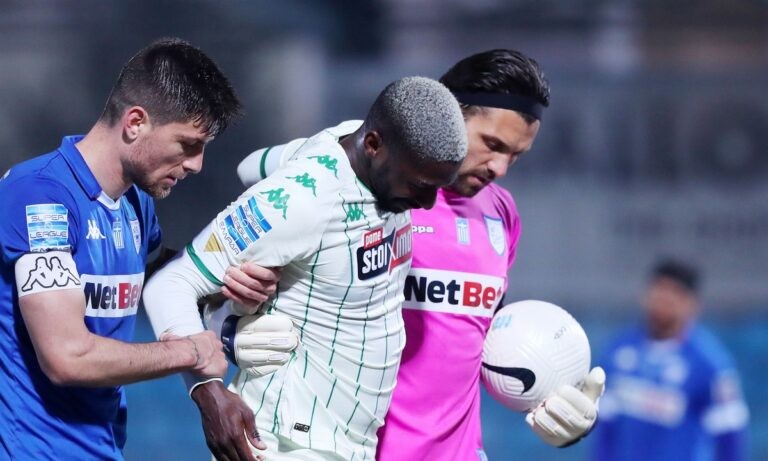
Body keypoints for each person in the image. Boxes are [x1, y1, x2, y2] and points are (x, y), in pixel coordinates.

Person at [232, 50, 605, 460]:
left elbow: (474, 339)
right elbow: (250, 170)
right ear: (449, 115)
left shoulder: (502, 212)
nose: (500, 168)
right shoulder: (364, 186)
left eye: (515, 155)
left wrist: (557, 406)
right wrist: (229, 329)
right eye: (492, 144)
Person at [142, 76, 468, 460]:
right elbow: (170, 284)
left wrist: (270, 259)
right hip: (286, 443)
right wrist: (208, 391)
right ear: (373, 145)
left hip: (347, 444)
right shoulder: (305, 199)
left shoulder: (352, 139)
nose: (428, 203)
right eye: (420, 185)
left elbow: (251, 167)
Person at [0, 38, 271, 460]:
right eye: (187, 144)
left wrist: (227, 285)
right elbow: (66, 357)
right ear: (135, 123)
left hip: (103, 448)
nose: (196, 164)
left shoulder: (135, 201)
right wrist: (192, 351)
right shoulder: (40, 198)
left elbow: (158, 273)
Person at [593, 259, 749, 461]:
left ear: (693, 305)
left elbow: (730, 437)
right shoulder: (617, 351)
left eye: (675, 293)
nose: (664, 301)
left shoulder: (710, 364)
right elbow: (604, 428)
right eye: (659, 290)